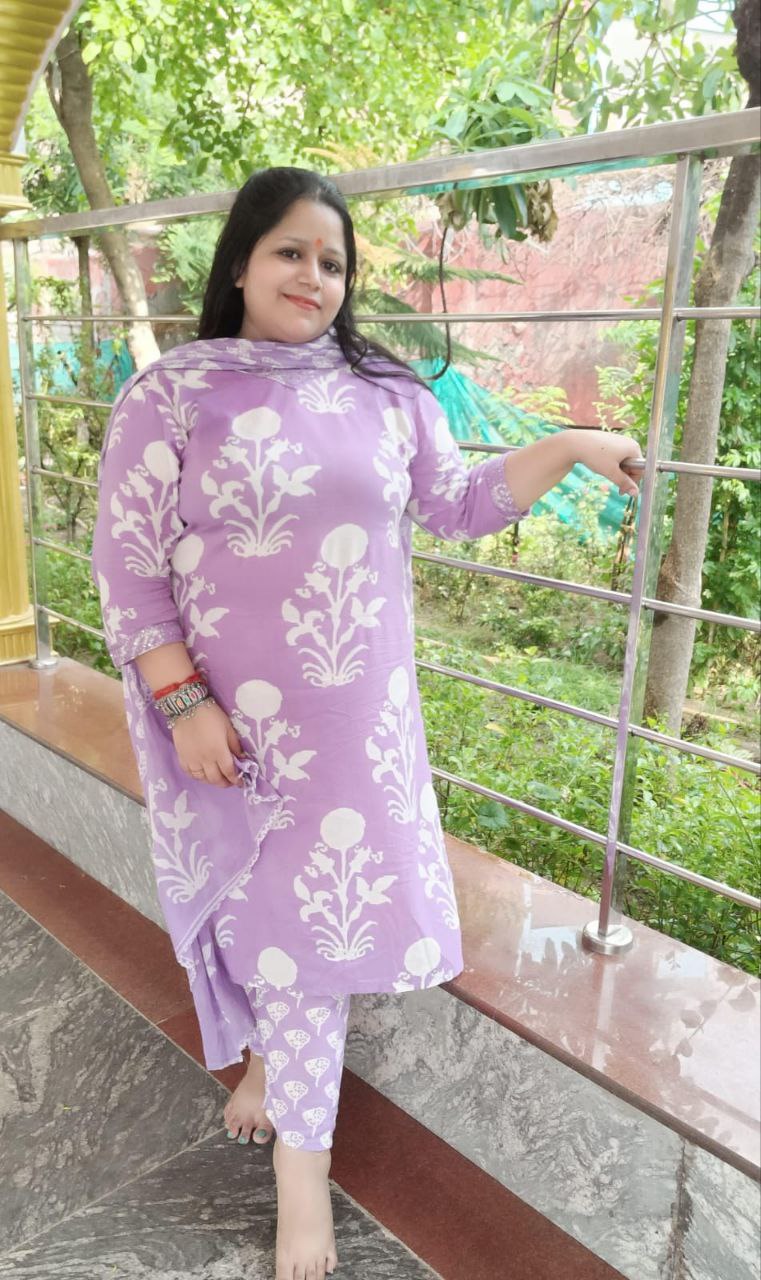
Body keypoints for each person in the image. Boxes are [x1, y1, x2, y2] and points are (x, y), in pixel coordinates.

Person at [90, 165, 643, 1280]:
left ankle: (292, 1138)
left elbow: (458, 505)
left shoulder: (387, 392)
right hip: (229, 722)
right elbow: (128, 568)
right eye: (290, 252)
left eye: (333, 262)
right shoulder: (173, 394)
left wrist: (570, 444)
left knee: (312, 934)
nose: (314, 276)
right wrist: (183, 701)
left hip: (354, 726)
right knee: (264, 914)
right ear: (240, 263)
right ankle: (286, 1123)